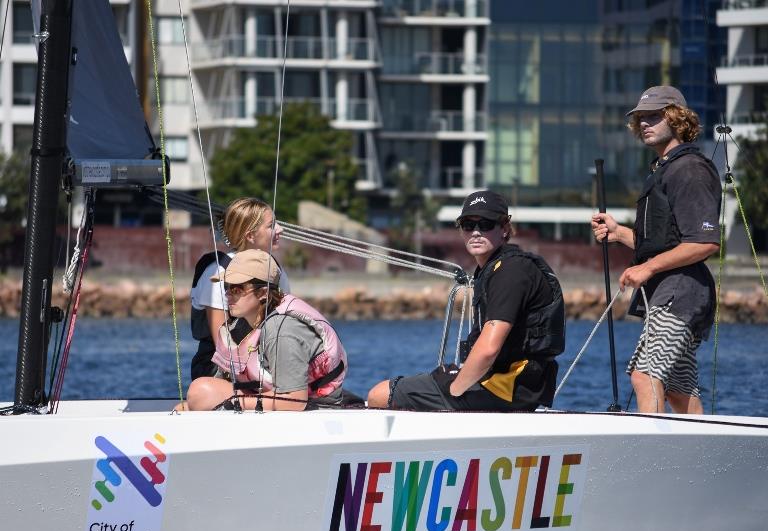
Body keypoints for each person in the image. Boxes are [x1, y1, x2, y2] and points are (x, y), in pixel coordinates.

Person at [367, 190, 565, 412]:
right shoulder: (497, 267)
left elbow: (489, 350)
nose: (476, 232)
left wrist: (456, 390)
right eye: (468, 224)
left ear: (505, 228)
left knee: (379, 395)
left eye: (486, 224)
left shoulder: (511, 271)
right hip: (509, 385)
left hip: (505, 387)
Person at [591, 85, 721, 414]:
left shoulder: (689, 170)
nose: (645, 123)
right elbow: (664, 243)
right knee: (677, 389)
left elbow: (704, 242)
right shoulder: (663, 168)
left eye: (654, 116)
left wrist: (647, 268)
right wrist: (619, 233)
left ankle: (655, 455)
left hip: (682, 291)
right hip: (670, 288)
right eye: (641, 118)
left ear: (676, 118)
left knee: (644, 374)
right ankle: (699, 454)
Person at [182, 249, 347, 411]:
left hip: (315, 409)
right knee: (193, 400)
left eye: (237, 289)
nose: (227, 295)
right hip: (270, 400)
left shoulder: (283, 330)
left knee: (201, 392)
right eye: (226, 287)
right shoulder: (241, 326)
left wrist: (233, 402)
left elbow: (295, 401)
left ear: (263, 292)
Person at [189, 197, 288, 380]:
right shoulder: (219, 272)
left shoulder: (274, 270)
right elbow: (222, 344)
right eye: (271, 225)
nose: (280, 230)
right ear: (250, 236)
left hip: (264, 361)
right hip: (217, 370)